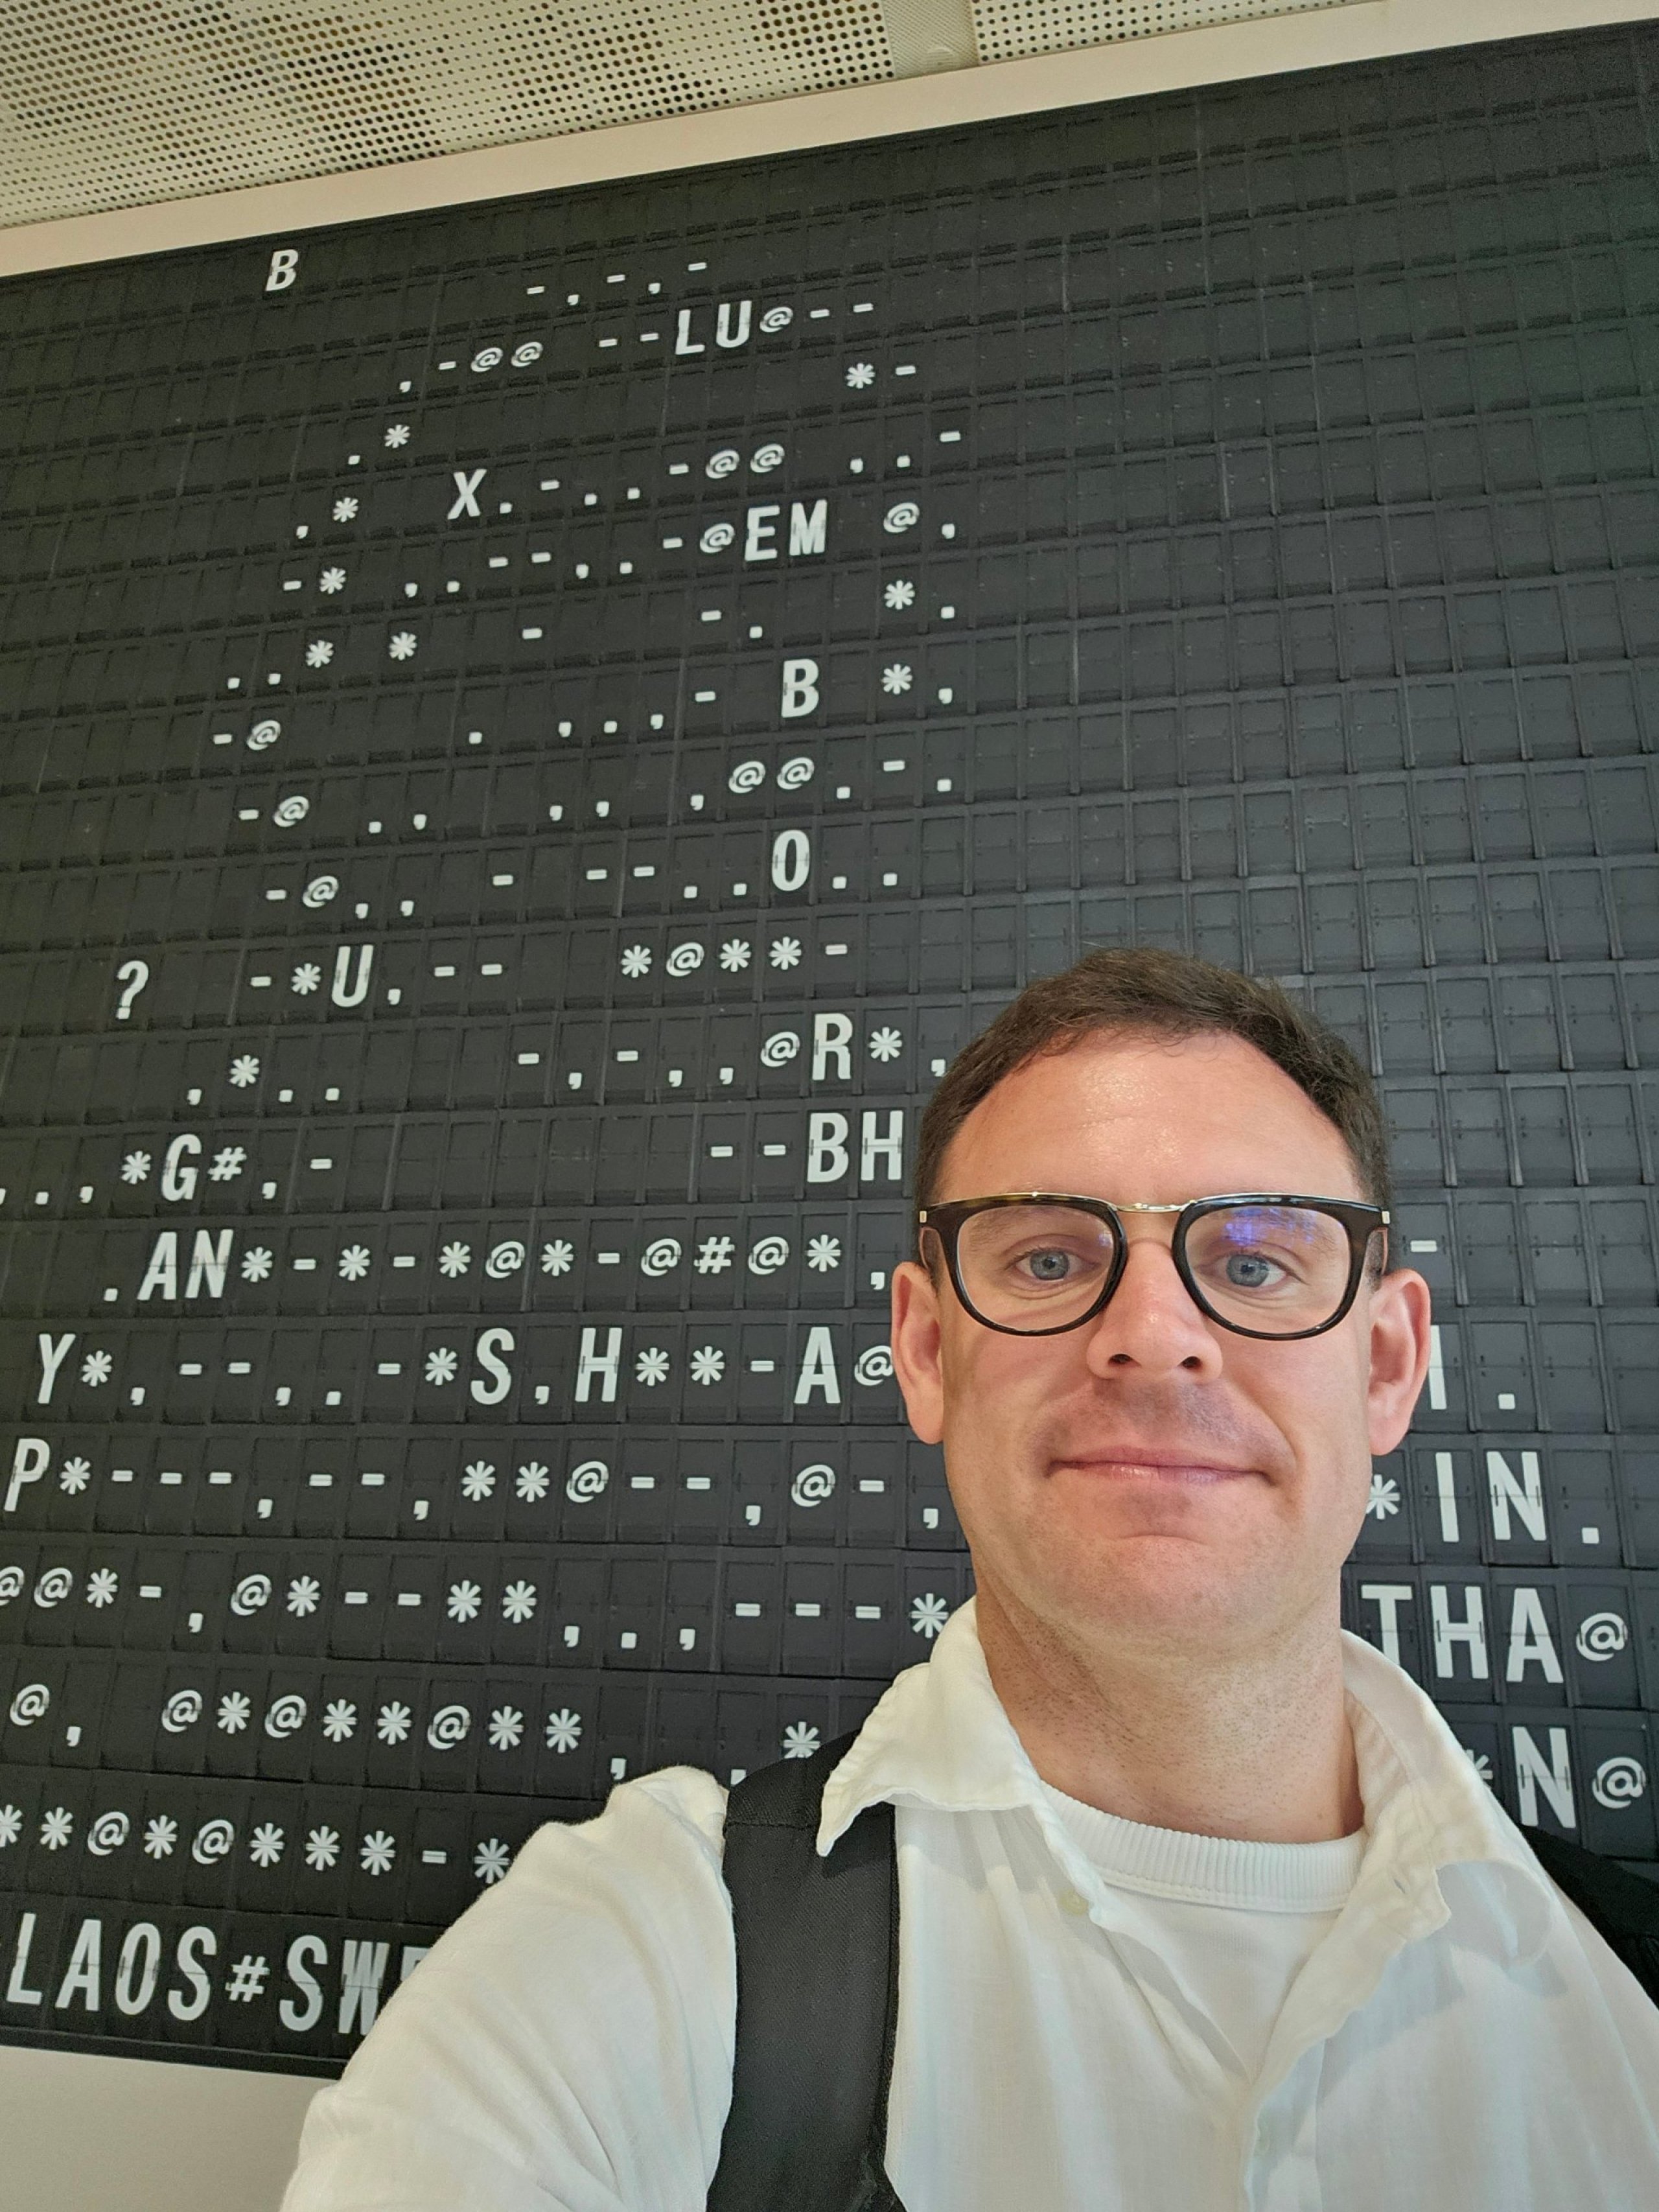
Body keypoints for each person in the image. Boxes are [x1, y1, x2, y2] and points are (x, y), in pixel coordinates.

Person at [283, 948, 1659, 2211]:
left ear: (1385, 1364)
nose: (1153, 1334)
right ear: (927, 1351)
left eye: (1254, 1260)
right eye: (1049, 1258)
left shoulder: (1631, 1982)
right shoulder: (643, 1942)